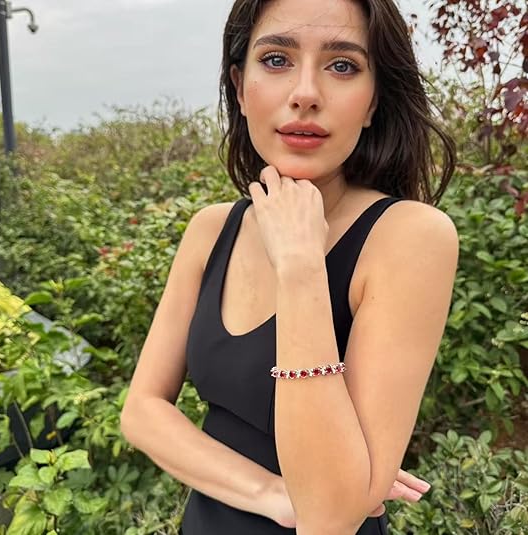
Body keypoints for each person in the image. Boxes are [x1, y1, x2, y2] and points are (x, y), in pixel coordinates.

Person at [120, 0, 459, 533]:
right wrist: (271, 493)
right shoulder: (211, 230)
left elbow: (330, 517)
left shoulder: (408, 237)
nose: (305, 94)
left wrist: (301, 269)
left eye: (342, 65)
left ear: (373, 102)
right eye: (276, 60)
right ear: (239, 87)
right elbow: (142, 410)